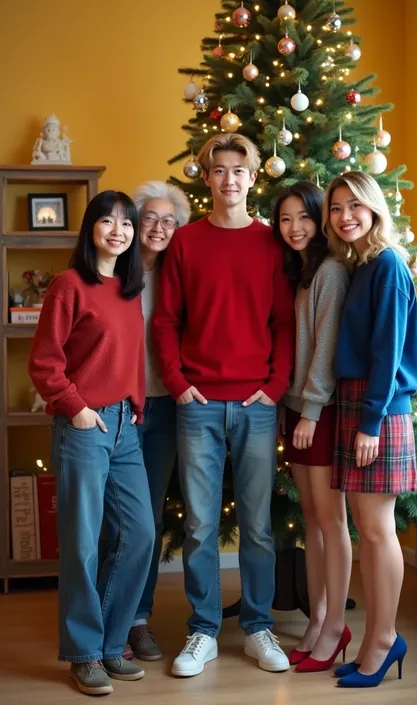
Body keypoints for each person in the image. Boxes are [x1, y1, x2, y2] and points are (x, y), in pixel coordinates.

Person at [152, 134, 295, 677]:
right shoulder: (186, 242)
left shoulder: (272, 243)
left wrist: (276, 386)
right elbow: (165, 320)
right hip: (199, 403)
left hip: (258, 403)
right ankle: (203, 630)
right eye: (220, 170)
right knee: (198, 525)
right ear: (207, 177)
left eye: (239, 170)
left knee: (258, 525)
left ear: (253, 177)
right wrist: (177, 381)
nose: (229, 179)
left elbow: (283, 323)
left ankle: (258, 627)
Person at [28, 191, 155, 697]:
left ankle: (110, 643)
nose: (118, 231)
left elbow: (131, 356)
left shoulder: (129, 289)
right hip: (84, 425)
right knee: (81, 545)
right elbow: (44, 361)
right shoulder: (68, 285)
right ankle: (84, 654)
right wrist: (75, 407)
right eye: (107, 221)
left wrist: (138, 404)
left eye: (127, 224)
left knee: (140, 534)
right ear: (91, 229)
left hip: (126, 427)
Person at [323, 172, 417, 688]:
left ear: (375, 208)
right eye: (336, 208)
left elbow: (387, 352)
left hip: (377, 407)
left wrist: (371, 422)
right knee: (368, 529)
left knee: (379, 531)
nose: (345, 216)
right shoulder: (360, 265)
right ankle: (376, 639)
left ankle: (383, 641)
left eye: (355, 206)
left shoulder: (387, 265)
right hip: (359, 402)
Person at [273, 181, 352, 673]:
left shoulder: (331, 271)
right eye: (284, 219)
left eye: (303, 217)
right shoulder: (301, 271)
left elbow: (325, 348)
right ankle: (319, 615)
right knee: (312, 521)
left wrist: (312, 412)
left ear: (319, 218)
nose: (294, 227)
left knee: (331, 520)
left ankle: (335, 624)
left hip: (316, 413)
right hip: (295, 408)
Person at [125, 180, 191, 661]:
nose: (160, 227)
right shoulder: (111, 271)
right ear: (134, 221)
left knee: (146, 518)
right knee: (117, 521)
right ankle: (107, 618)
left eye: (169, 220)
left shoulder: (179, 276)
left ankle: (138, 619)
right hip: (118, 410)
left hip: (165, 409)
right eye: (150, 217)